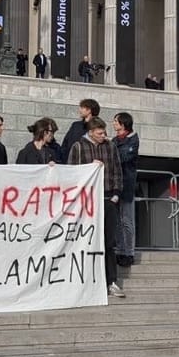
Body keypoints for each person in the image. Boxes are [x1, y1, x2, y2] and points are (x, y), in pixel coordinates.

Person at [67, 116, 124, 298]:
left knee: (109, 242)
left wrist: (116, 194)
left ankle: (111, 281)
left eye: (104, 132)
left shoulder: (110, 146)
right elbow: (72, 172)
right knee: (86, 241)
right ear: (90, 132)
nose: (103, 136)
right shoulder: (78, 147)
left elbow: (116, 169)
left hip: (107, 198)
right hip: (87, 201)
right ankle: (85, 283)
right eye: (99, 133)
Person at [112, 112, 140, 268]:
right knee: (117, 221)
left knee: (127, 221)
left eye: (116, 121)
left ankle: (128, 252)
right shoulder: (115, 141)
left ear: (123, 124)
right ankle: (119, 250)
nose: (114, 124)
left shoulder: (132, 140)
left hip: (127, 184)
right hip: (115, 184)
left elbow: (123, 157)